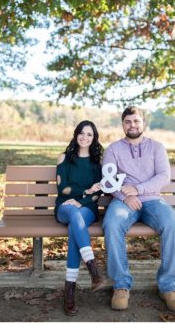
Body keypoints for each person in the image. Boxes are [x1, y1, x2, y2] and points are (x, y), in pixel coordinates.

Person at [102, 106, 175, 312]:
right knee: (111, 224)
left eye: (136, 121)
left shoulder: (157, 147)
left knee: (172, 224)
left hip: (152, 199)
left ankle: (168, 287)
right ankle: (121, 285)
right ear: (122, 124)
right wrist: (125, 196)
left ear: (143, 123)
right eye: (128, 121)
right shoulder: (113, 149)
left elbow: (163, 176)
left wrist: (137, 189)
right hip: (124, 202)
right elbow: (108, 181)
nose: (132, 125)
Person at [55, 120, 107, 316]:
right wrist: (83, 193)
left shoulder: (97, 164)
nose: (85, 137)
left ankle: (69, 291)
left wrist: (82, 200)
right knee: (73, 215)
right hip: (65, 207)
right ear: (76, 134)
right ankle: (92, 268)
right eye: (82, 133)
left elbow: (97, 194)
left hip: (87, 209)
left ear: (94, 139)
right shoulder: (64, 158)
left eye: (90, 135)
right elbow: (63, 188)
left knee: (74, 228)